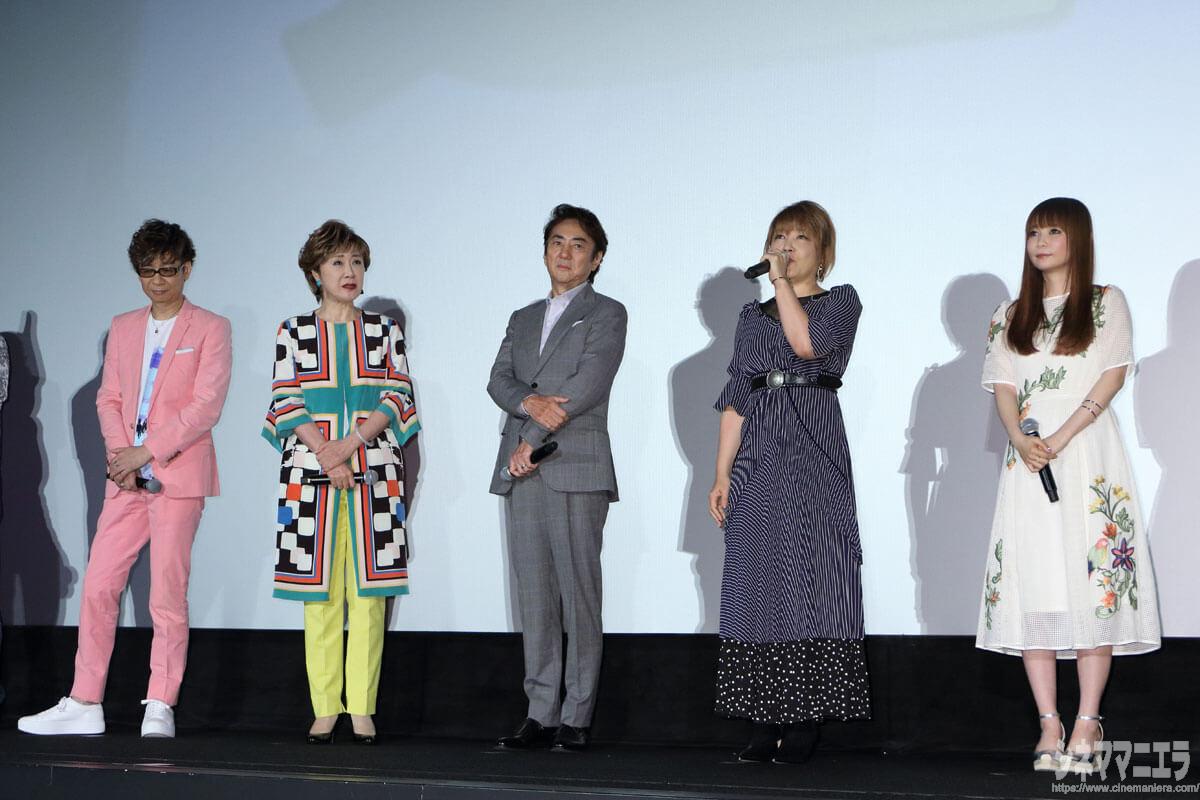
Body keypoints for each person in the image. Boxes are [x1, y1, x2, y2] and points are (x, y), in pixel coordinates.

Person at [18, 220, 232, 738]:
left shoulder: (211, 327)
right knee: (98, 586)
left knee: (166, 594)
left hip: (178, 475)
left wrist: (145, 452)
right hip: (126, 477)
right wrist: (122, 458)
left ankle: (161, 703)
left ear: (187, 268)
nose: (157, 281)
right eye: (147, 272)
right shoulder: (124, 326)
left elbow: (205, 407)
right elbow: (108, 397)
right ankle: (84, 700)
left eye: (167, 270)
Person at [977, 197, 1160, 774]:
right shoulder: (1010, 314)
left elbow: (1112, 374)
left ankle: (1087, 719)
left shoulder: (1106, 303)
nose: (1041, 242)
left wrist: (1062, 434)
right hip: (1030, 460)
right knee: (1035, 583)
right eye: (1034, 232)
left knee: (1092, 582)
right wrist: (1020, 437)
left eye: (1053, 231)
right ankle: (1048, 721)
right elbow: (1004, 385)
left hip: (1086, 453)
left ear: (1077, 238)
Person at [707, 201, 870, 764]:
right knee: (757, 579)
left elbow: (806, 346)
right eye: (778, 236)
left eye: (799, 237)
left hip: (812, 443)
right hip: (758, 452)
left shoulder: (841, 300)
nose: (785, 246)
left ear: (822, 251)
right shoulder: (750, 318)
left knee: (812, 576)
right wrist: (722, 473)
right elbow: (737, 394)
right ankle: (762, 717)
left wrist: (780, 284)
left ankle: (804, 718)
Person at [262, 220, 419, 745]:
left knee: (371, 597)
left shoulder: (384, 331)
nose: (349, 272)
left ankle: (363, 708)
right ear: (315, 272)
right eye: (337, 262)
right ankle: (326, 707)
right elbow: (286, 400)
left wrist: (349, 445)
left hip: (375, 476)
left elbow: (397, 395)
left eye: (356, 262)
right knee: (321, 596)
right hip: (310, 478)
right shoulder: (293, 331)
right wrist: (327, 455)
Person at [487, 204, 627, 752]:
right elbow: (499, 379)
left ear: (597, 259)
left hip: (573, 464)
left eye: (578, 244)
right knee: (535, 597)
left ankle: (577, 715)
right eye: (557, 242)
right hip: (523, 471)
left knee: (578, 595)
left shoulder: (606, 313)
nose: (565, 253)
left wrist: (531, 437)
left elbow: (587, 384)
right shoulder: (522, 317)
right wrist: (527, 404)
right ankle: (540, 712)